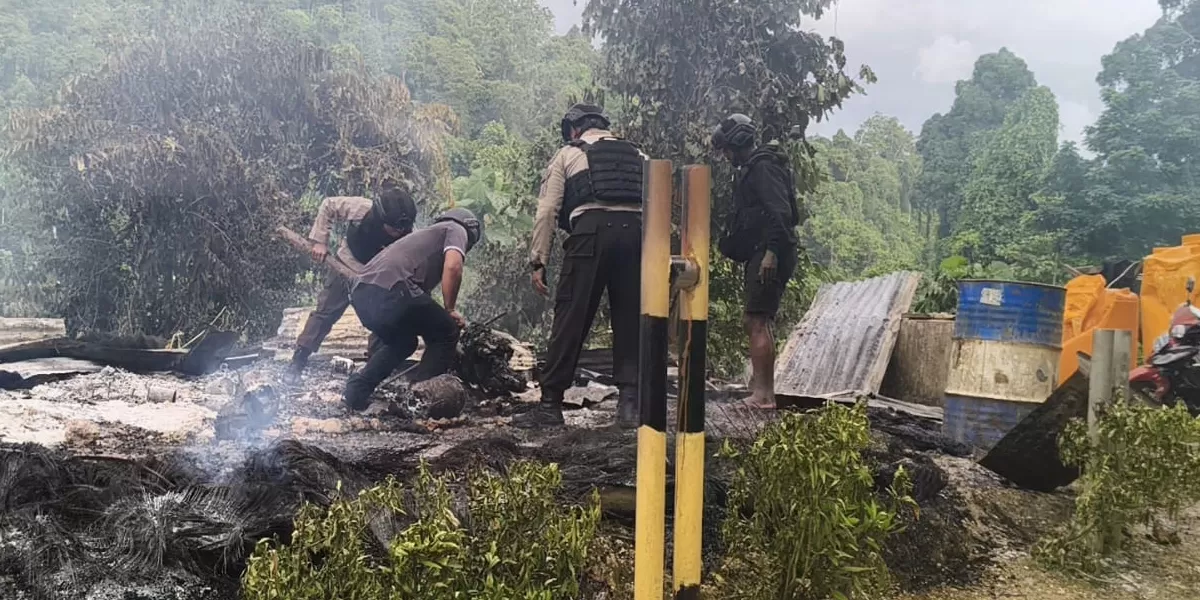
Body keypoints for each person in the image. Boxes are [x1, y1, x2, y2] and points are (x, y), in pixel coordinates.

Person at [513, 103, 646, 429]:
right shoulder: (638, 154)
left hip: (590, 233)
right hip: (637, 236)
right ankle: (630, 405)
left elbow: (547, 211)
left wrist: (538, 260)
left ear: (574, 129)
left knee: (571, 317)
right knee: (631, 318)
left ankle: (550, 405)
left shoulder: (568, 153)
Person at [342, 208, 482, 411]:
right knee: (446, 332)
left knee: (403, 342)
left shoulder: (421, 241)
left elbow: (418, 304)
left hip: (361, 294)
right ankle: (422, 398)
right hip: (391, 289)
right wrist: (450, 309)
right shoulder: (455, 228)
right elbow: (453, 267)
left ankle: (356, 392)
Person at [711, 113, 804, 409]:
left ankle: (763, 395)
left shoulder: (763, 167)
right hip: (762, 251)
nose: (726, 156)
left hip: (769, 252)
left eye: (727, 149)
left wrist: (771, 253)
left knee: (756, 320)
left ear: (737, 143)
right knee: (756, 319)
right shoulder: (755, 167)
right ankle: (762, 390)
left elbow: (781, 213)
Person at [287, 187, 417, 382]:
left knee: (383, 321)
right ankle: (299, 358)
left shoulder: (410, 236)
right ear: (381, 218)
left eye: (403, 228)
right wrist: (320, 241)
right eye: (395, 227)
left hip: (376, 279)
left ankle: (375, 366)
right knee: (325, 312)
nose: (399, 232)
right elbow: (329, 205)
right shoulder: (362, 209)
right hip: (345, 264)